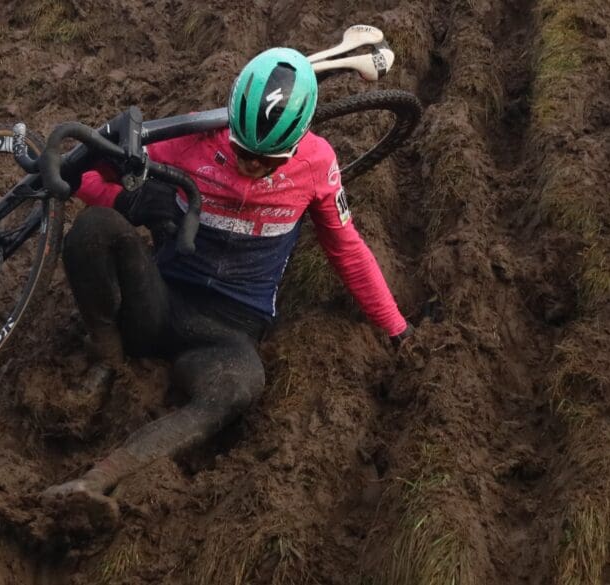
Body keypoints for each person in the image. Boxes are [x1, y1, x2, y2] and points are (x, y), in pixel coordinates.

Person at [43, 48, 413, 519]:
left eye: (268, 161)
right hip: (159, 298)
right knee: (95, 228)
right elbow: (81, 177)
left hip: (228, 333)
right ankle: (105, 364)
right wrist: (125, 200)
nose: (251, 167)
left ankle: (95, 481)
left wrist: (397, 328)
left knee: (240, 386)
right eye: (242, 152)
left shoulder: (319, 164)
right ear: (230, 129)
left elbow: (347, 248)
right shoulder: (187, 139)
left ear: (298, 145)